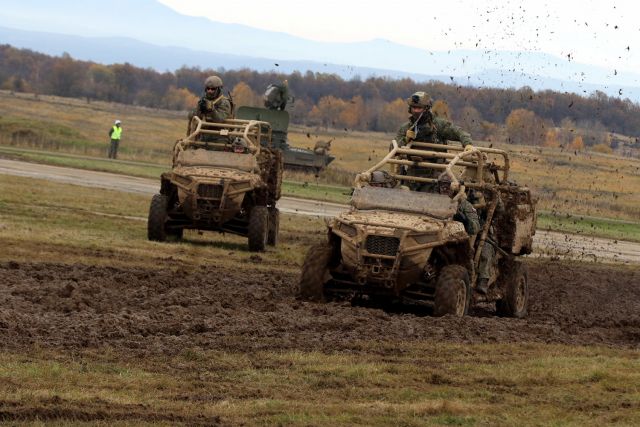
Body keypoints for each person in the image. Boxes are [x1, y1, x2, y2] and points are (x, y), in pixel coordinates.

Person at [396, 91, 473, 191]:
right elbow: (393, 149)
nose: (416, 111)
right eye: (414, 107)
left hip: (436, 177)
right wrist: (405, 139)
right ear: (410, 108)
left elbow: (459, 132)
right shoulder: (406, 128)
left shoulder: (438, 125)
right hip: (411, 176)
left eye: (419, 108)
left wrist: (468, 144)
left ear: (426, 109)